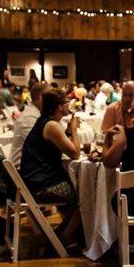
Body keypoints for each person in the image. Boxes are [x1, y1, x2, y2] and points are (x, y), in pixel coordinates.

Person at [19, 88, 81, 245]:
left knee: (81, 191)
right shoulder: (51, 125)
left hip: (33, 180)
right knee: (85, 197)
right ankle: (65, 239)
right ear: (60, 107)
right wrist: (73, 129)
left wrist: (67, 132)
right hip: (40, 184)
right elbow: (75, 154)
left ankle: (65, 233)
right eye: (67, 102)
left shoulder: (45, 122)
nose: (69, 105)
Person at [10, 82, 47, 168]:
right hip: (23, 170)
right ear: (41, 98)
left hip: (34, 164)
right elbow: (40, 147)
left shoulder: (38, 114)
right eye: (52, 97)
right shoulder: (29, 117)